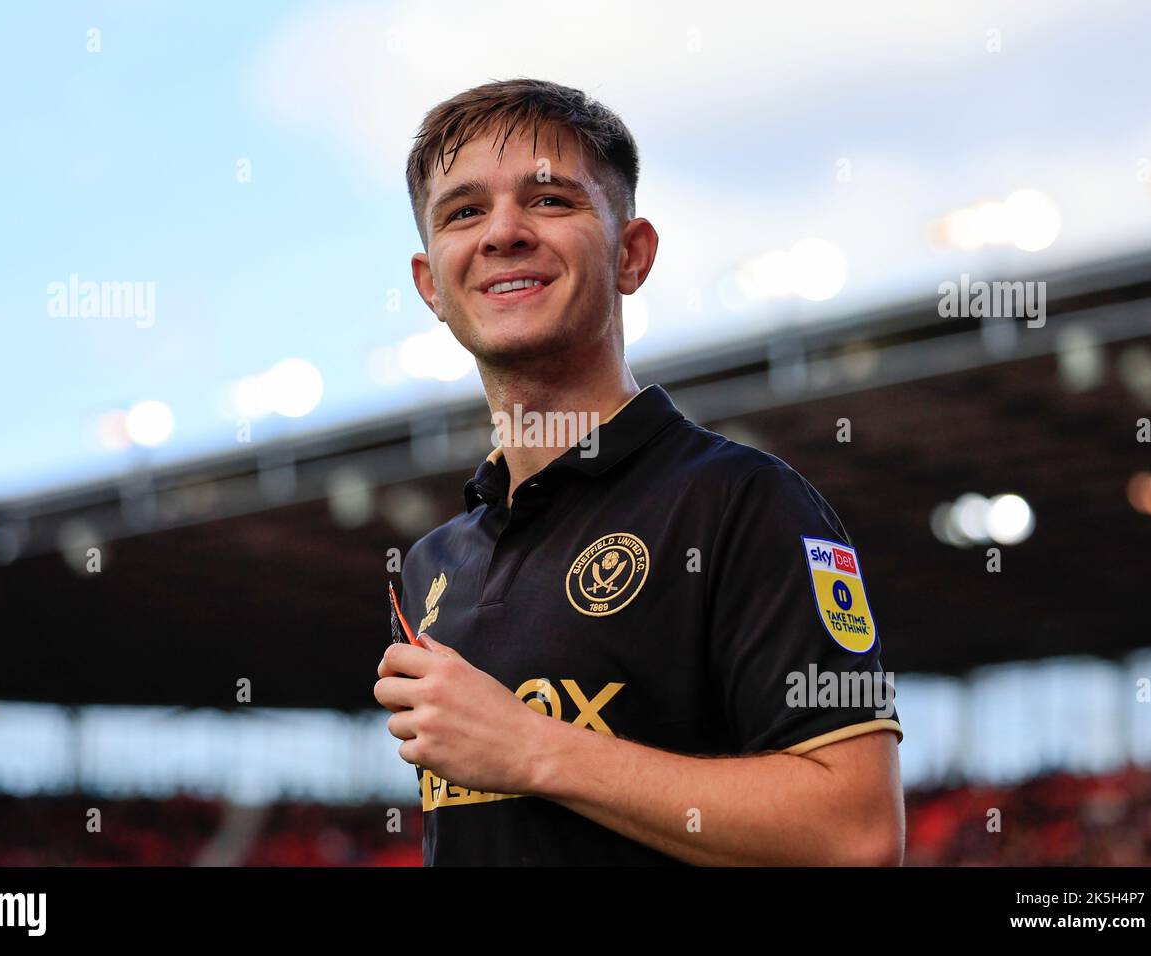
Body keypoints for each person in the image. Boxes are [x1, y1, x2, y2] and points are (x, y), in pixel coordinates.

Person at [375, 77, 904, 865]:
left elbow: (854, 834)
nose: (503, 232)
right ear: (431, 286)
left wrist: (529, 748)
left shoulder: (744, 503)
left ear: (631, 253)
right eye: (464, 211)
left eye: (551, 200)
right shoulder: (431, 566)